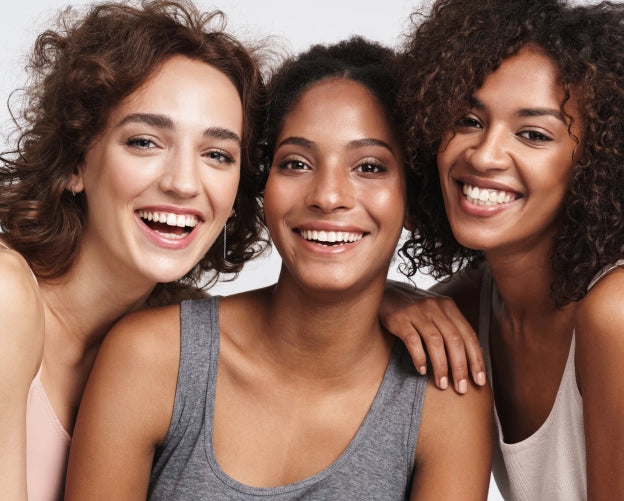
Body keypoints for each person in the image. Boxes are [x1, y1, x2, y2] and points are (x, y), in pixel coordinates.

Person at [65, 37, 492, 500]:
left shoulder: (445, 395)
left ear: (413, 198)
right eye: (296, 163)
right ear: (263, 186)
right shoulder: (151, 357)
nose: (328, 196)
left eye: (369, 167)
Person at [0, 1, 267, 499]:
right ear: (76, 163)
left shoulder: (179, 337)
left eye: (216, 154)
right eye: (145, 142)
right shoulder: (6, 293)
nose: (184, 183)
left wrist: (387, 300)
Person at [381, 0, 624, 498]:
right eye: (469, 120)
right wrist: (385, 296)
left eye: (533, 134)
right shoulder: (470, 307)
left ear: (598, 162)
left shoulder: (613, 314)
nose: (485, 154)